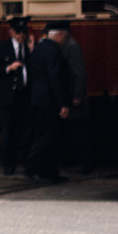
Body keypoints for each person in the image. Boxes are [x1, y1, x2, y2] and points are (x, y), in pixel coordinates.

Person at [26, 24, 72, 183]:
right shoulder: (54, 51)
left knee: (43, 134)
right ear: (59, 35)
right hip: (50, 100)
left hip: (37, 99)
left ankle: (49, 172)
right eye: (65, 37)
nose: (65, 41)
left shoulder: (38, 48)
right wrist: (63, 104)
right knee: (49, 136)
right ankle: (34, 167)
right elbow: (56, 78)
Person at [0, 16, 33, 175]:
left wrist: (32, 48)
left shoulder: (27, 47)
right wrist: (8, 68)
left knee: (26, 131)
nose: (21, 35)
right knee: (8, 131)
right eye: (18, 32)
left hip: (25, 95)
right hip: (9, 96)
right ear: (11, 32)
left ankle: (28, 163)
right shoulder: (2, 47)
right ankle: (8, 163)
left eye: (24, 32)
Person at [54, 20, 88, 169]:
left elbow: (79, 73)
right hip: (71, 94)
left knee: (77, 132)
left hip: (74, 96)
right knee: (73, 131)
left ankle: (84, 163)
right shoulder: (68, 45)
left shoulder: (72, 47)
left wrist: (77, 95)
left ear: (62, 34)